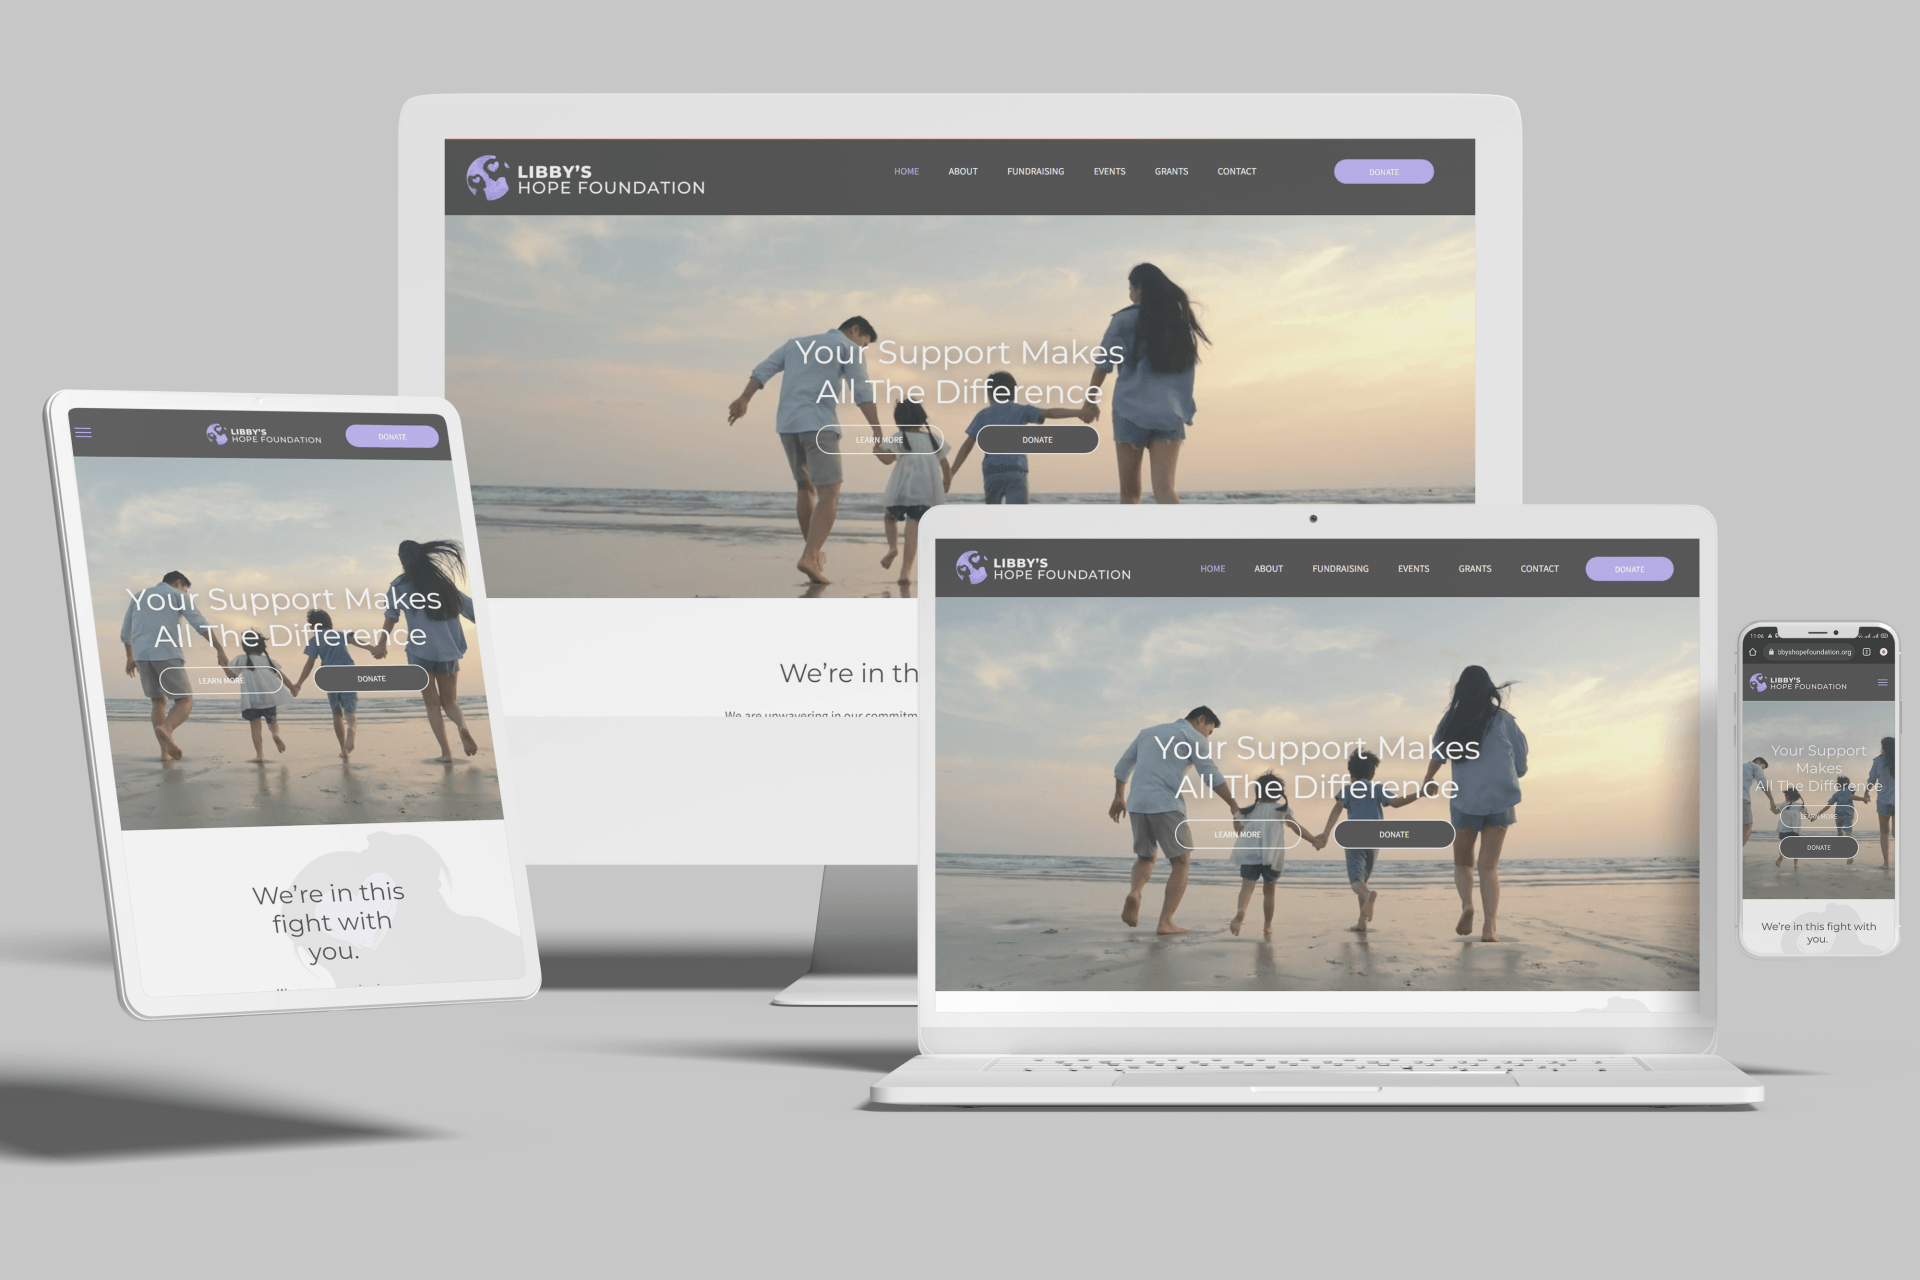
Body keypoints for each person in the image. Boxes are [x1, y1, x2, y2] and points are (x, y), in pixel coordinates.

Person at [726, 317, 883, 585]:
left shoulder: (795, 345)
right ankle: (810, 555)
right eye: (864, 342)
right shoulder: (848, 348)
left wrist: (744, 399)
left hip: (787, 425)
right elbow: (862, 390)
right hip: (819, 424)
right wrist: (878, 433)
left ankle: (813, 554)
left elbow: (762, 371)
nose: (862, 348)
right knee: (830, 491)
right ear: (856, 330)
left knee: (805, 488)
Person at [1082, 263, 1209, 505]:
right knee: (1165, 490)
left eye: (1130, 288)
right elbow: (1187, 374)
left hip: (1131, 412)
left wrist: (1089, 402)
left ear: (1138, 289)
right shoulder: (1179, 323)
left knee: (1130, 495)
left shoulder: (1124, 320)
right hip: (1170, 415)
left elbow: (1103, 366)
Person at [1110, 705, 1241, 936]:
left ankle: (1136, 892)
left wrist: (1119, 796)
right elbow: (1210, 774)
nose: (1207, 736)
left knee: (1145, 856)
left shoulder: (1147, 733)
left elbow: (1122, 767)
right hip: (1166, 804)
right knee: (1181, 863)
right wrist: (1232, 804)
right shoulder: (1193, 737)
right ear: (1201, 720)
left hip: (1137, 803)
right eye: (1209, 731)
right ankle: (1165, 922)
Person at [1419, 665, 1528, 942]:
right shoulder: (1504, 719)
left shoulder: (1452, 720)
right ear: (1489, 689)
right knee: (1489, 867)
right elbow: (1521, 762)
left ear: (1460, 691)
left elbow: (1438, 756)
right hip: (1500, 800)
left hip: (1465, 800)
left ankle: (1467, 905)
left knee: (1463, 864)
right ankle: (1489, 928)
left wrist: (1427, 780)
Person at [375, 539, 480, 764]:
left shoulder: (398, 587)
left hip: (419, 654)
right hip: (448, 652)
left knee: (432, 704)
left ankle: (446, 753)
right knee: (450, 702)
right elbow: (474, 612)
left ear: (403, 561)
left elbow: (390, 617)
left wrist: (382, 644)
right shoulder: (444, 585)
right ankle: (462, 727)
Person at [120, 570, 229, 760]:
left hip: (142, 655)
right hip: (166, 652)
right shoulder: (177, 595)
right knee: (185, 700)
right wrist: (219, 649)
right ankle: (167, 729)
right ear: (179, 582)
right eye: (185, 589)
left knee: (158, 701)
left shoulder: (138, 596)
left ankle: (164, 753)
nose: (186, 593)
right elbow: (200, 623)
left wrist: (129, 657)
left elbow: (125, 630)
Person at [1319, 747, 1420, 934]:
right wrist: (1420, 793)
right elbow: (1396, 803)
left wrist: (1325, 833)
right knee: (1363, 878)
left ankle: (1368, 895)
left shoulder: (1348, 789)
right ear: (1372, 772)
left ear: (1350, 772)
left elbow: (1336, 810)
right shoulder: (1378, 789)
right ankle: (1362, 921)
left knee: (1356, 882)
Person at [946, 371, 1086, 504]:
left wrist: (951, 473)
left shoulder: (983, 415)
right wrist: (1079, 412)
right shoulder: (1022, 410)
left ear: (990, 394)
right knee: (1018, 517)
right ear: (1013, 393)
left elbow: (967, 446)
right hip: (1015, 470)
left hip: (992, 472)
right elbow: (1049, 413)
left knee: (993, 517)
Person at [1228, 773, 1321, 938]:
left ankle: (1241, 912)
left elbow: (1236, 821)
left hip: (1250, 854)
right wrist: (1313, 840)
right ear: (1278, 793)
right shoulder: (1281, 811)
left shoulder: (1249, 809)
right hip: (1271, 856)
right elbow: (1296, 828)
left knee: (1247, 887)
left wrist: (1242, 832)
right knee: (1269, 892)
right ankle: (1267, 926)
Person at [872, 399, 950, 585]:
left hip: (902, 489)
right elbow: (945, 467)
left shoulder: (899, 436)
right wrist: (945, 484)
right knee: (912, 528)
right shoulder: (934, 439)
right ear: (922, 418)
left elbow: (887, 459)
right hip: (925, 492)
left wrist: (876, 449)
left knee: (889, 518)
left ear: (899, 420)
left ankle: (892, 547)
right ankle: (905, 571)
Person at [290, 607, 377, 759]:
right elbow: (355, 641)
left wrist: (299, 683)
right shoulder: (339, 634)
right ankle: (351, 729)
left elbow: (309, 663)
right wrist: (372, 648)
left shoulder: (314, 640)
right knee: (350, 711)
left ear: (312, 627)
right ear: (330, 624)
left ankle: (343, 749)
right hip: (348, 673)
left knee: (336, 714)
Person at [222, 631, 289, 764]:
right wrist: (293, 688)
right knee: (272, 721)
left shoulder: (241, 659)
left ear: (244, 646)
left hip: (251, 700)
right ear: (262, 646)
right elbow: (281, 676)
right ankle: (275, 735)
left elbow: (231, 676)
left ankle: (260, 755)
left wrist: (223, 664)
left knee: (255, 727)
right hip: (269, 698)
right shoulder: (268, 660)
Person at [1863, 736, 1895, 870]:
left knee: (1884, 833)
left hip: (1883, 800)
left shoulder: (1878, 761)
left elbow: (1871, 780)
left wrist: (1866, 794)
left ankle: (1886, 864)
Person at [1812, 776, 1859, 864]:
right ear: (1848, 784)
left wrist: (1816, 815)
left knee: (1840, 834)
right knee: (1849, 834)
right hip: (1848, 815)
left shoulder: (1836, 794)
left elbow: (1828, 806)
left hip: (1838, 816)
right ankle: (1850, 856)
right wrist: (1863, 799)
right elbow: (1852, 796)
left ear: (1838, 784)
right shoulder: (1849, 790)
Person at [1740, 756, 1779, 847]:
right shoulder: (1756, 766)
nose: (1762, 770)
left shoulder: (1741, 766)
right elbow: (1762, 783)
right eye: (1763, 767)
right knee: (1747, 826)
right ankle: (1735, 854)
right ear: (1758, 761)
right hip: (1742, 797)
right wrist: (1771, 800)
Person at [1774, 786, 1809, 868]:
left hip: (1783, 830)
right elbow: (1807, 815)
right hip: (1794, 831)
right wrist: (1812, 818)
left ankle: (1781, 857)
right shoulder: (1800, 806)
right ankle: (1795, 863)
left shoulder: (1783, 805)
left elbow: (1775, 812)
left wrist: (1771, 807)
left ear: (1786, 796)